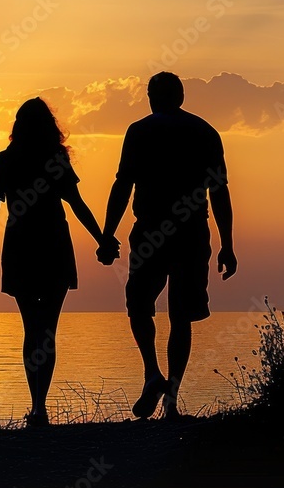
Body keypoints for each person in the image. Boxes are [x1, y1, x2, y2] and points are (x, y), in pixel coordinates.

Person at [100, 72, 237, 420]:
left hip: (151, 230)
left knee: (139, 305)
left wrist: (107, 233)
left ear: (150, 96)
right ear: (181, 96)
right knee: (181, 316)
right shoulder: (205, 132)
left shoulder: (140, 131)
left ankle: (152, 373)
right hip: (191, 232)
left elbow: (122, 185)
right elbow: (219, 192)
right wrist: (227, 244)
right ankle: (170, 395)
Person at [0, 98, 113, 426]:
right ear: (50, 126)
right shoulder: (54, 159)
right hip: (52, 245)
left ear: (17, 126)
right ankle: (39, 406)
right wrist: (101, 239)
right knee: (46, 330)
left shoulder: (6, 160)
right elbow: (76, 203)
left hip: (20, 245)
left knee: (32, 328)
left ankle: (37, 405)